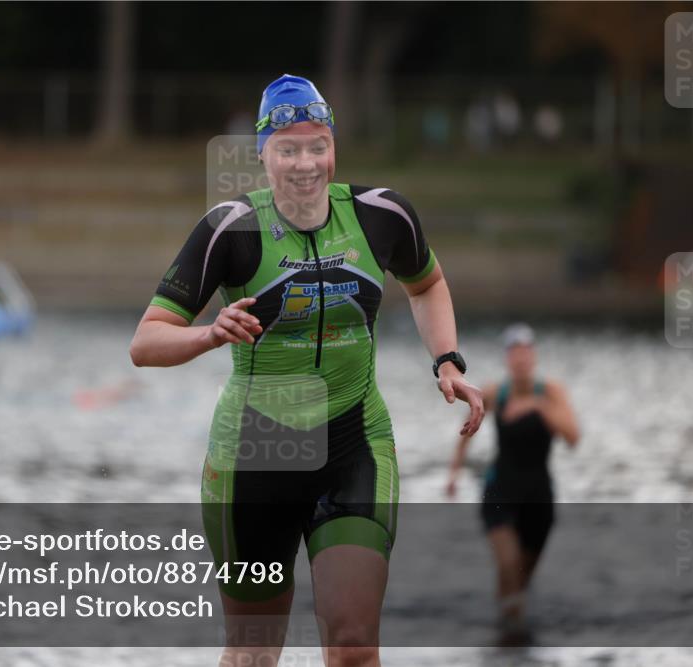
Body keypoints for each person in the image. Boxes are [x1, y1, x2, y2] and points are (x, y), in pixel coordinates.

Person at [131, 73, 484, 667]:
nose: (304, 163)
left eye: (317, 145)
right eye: (287, 148)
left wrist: (445, 359)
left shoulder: (382, 216)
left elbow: (428, 285)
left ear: (333, 147)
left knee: (352, 645)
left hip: (354, 443)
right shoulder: (231, 227)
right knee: (253, 655)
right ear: (263, 154)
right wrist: (209, 333)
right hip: (255, 452)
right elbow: (146, 342)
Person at [445, 323, 579, 643]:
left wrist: (540, 407)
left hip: (539, 495)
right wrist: (454, 473)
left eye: (525, 353)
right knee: (508, 563)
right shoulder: (495, 393)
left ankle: (510, 629)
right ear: (507, 359)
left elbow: (573, 437)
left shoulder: (550, 392)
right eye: (514, 354)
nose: (520, 360)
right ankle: (507, 635)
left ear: (533, 357)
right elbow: (466, 432)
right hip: (500, 490)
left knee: (522, 575)